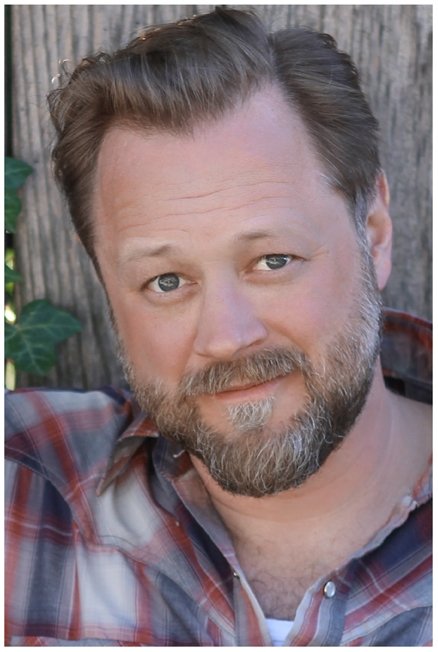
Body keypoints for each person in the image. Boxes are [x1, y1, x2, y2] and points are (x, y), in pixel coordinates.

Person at [5, 7, 431, 647]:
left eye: (273, 261)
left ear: (373, 233)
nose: (227, 337)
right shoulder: (23, 485)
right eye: (166, 281)